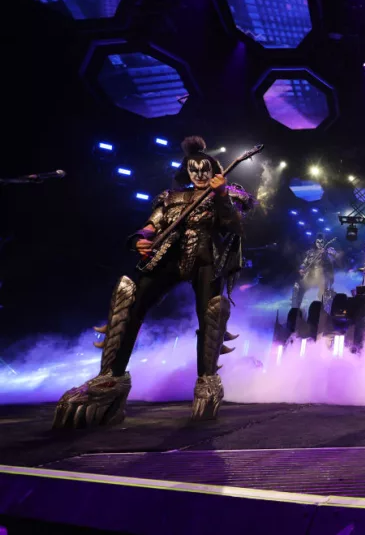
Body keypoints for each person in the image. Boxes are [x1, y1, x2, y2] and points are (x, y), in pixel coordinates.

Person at [53, 136, 255, 429]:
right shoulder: (171, 197)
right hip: (168, 257)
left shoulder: (227, 194)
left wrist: (221, 195)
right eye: (194, 169)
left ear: (214, 170)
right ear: (187, 171)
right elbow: (151, 226)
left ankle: (207, 380)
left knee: (211, 311)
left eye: (205, 169)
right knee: (128, 296)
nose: (200, 174)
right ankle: (111, 378)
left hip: (206, 259)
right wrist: (140, 241)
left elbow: (234, 225)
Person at [291, 233, 337, 312]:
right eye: (317, 242)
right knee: (297, 287)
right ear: (315, 243)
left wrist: (325, 254)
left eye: (321, 242)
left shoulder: (328, 251)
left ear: (324, 242)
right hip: (311, 274)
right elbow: (304, 263)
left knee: (324, 295)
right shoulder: (310, 252)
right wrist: (301, 268)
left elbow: (333, 259)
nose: (319, 244)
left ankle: (324, 312)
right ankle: (295, 311)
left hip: (323, 275)